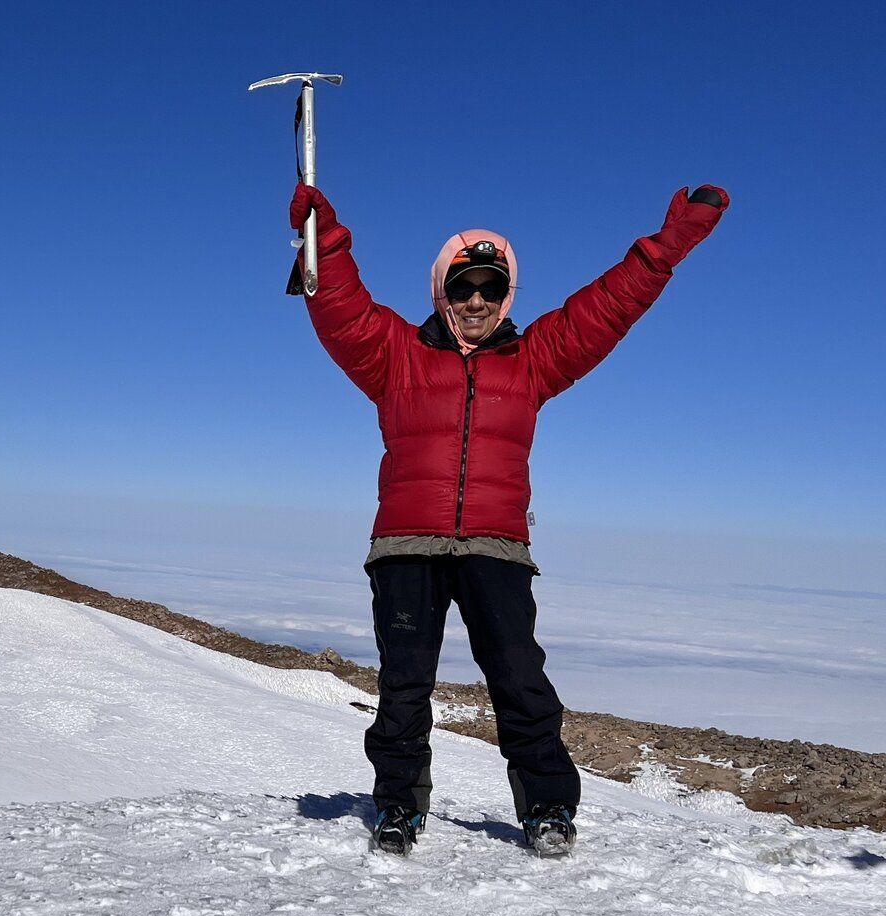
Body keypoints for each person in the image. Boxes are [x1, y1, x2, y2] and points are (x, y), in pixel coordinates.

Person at [289, 181, 728, 855]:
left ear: (506, 297)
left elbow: (606, 309)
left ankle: (548, 808)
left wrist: (669, 246)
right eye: (463, 287)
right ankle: (398, 807)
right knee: (405, 684)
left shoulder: (534, 361)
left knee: (519, 679)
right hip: (407, 544)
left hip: (497, 546)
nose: (475, 301)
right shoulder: (396, 356)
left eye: (491, 289)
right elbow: (341, 310)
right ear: (442, 291)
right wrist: (325, 239)